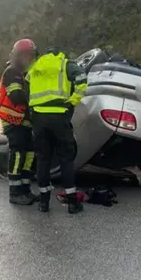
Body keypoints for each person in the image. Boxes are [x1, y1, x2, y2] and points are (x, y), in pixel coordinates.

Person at [27, 47, 88, 214]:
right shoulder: (65, 64)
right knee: (65, 158)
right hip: (60, 116)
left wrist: (32, 111)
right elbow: (82, 78)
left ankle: (44, 203)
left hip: (39, 118)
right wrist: (73, 101)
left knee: (43, 159)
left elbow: (26, 87)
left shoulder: (35, 67)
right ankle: (72, 203)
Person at [0, 39, 39, 205]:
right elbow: (16, 96)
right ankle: (15, 192)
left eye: (32, 56)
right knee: (18, 153)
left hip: (23, 120)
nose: (31, 59)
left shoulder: (23, 74)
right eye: (28, 56)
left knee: (29, 154)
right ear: (19, 56)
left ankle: (25, 190)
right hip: (12, 120)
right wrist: (36, 97)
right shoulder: (12, 72)